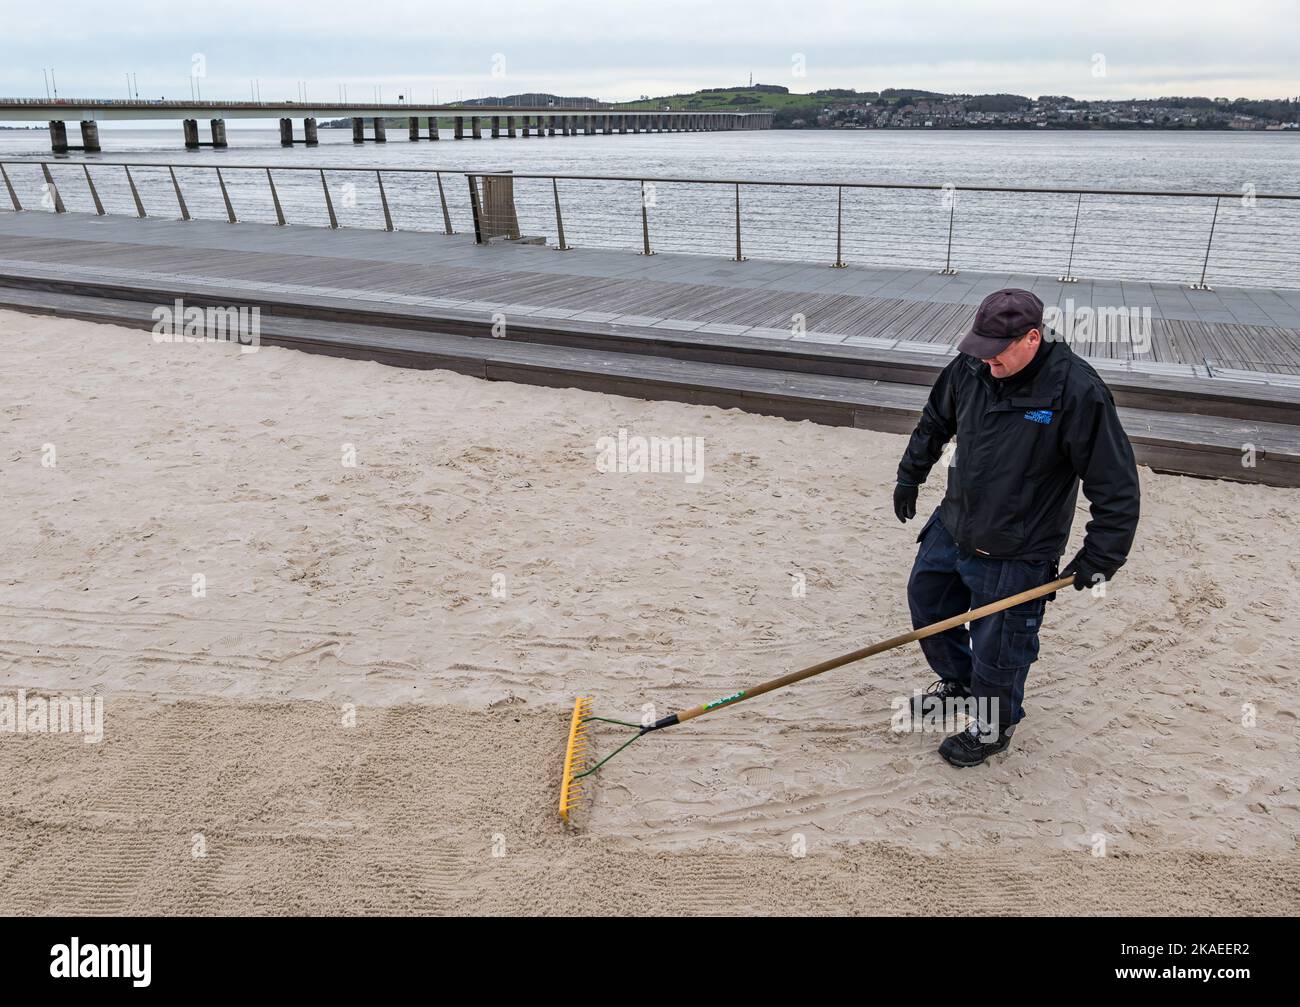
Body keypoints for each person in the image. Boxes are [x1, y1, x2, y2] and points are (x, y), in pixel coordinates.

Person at [893, 288, 1140, 767]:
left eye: (997, 351)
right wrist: (910, 475)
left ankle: (992, 724)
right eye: (980, 348)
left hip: (1019, 546)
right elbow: (934, 421)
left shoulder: (1077, 391)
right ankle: (961, 686)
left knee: (1000, 645)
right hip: (956, 521)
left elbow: (1116, 484)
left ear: (1033, 337)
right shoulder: (971, 366)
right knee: (927, 604)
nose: (988, 361)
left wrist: (1102, 557)